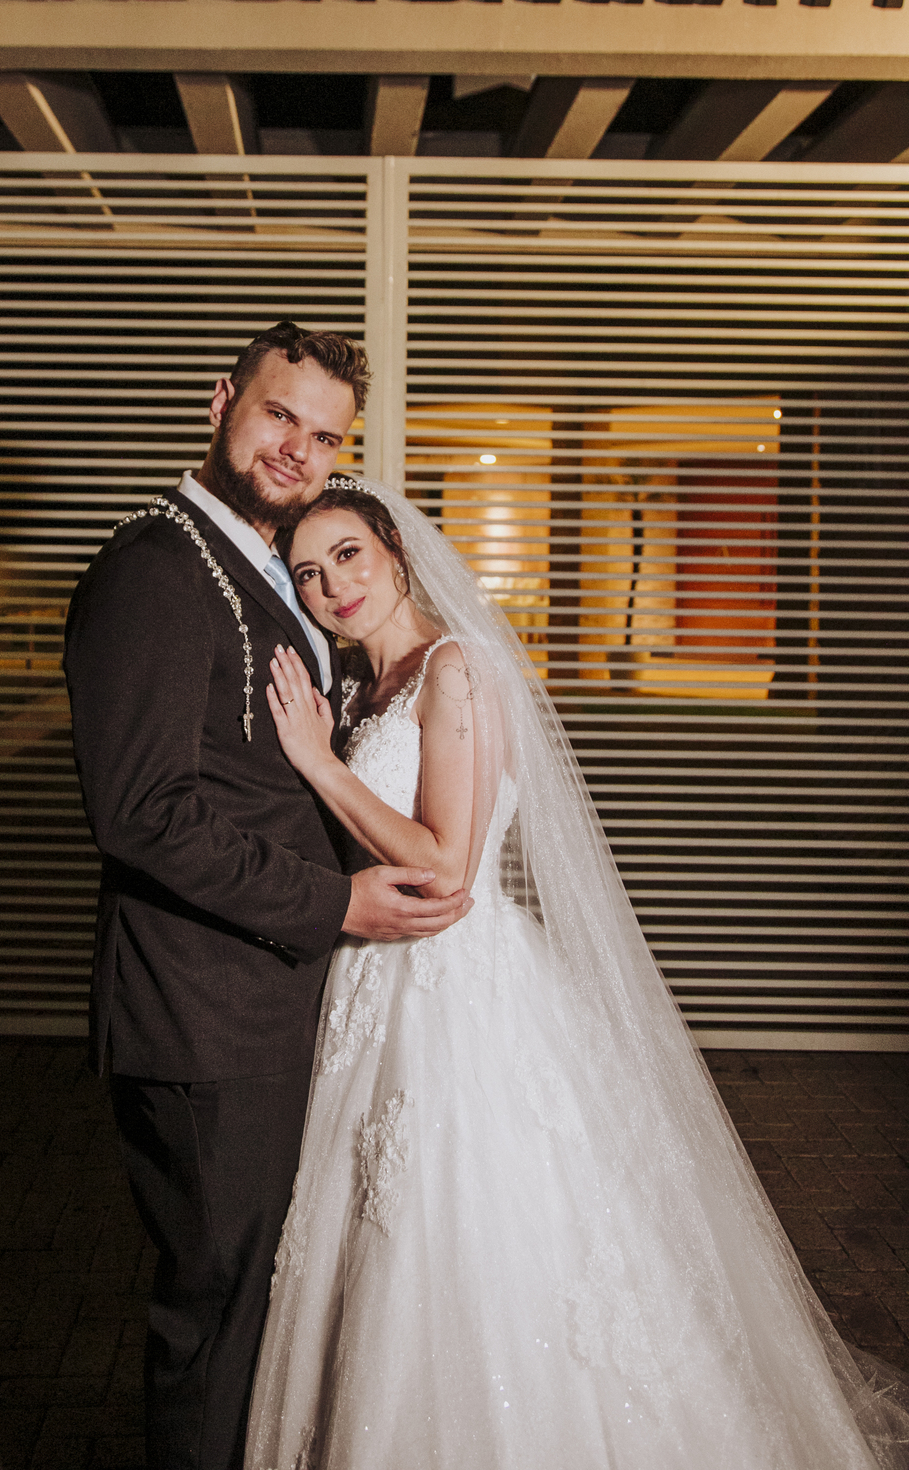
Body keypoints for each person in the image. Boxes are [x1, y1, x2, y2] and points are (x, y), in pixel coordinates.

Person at [246, 476, 909, 1470]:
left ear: (395, 552)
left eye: (348, 555)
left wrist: (317, 762)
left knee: (476, 1224)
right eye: (307, 572)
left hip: (456, 991)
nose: (332, 584)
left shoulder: (456, 670)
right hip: (373, 987)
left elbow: (447, 867)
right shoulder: (358, 690)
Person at [63, 326, 471, 1470]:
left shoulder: (274, 568)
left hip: (276, 1005)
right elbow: (143, 813)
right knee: (218, 1311)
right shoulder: (155, 569)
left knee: (263, 1303)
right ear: (221, 401)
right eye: (280, 415)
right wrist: (338, 909)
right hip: (202, 1013)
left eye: (326, 436)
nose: (299, 448)